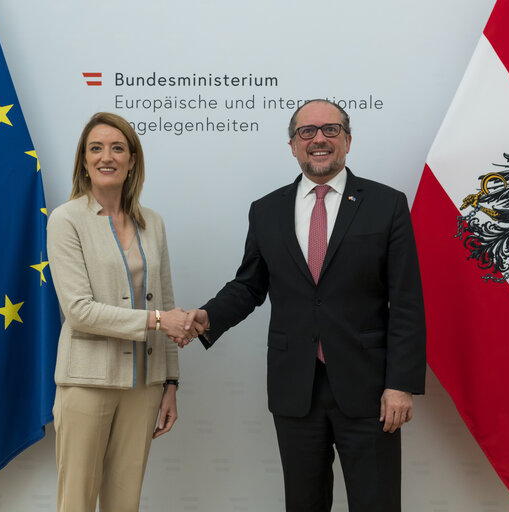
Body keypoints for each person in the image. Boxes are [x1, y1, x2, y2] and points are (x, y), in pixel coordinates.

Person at [181, 99, 426, 512]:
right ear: (292, 145)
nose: (319, 139)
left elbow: (406, 301)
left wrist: (400, 383)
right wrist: (207, 317)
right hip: (295, 387)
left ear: (348, 140)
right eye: (306, 132)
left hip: (369, 389)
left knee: (376, 503)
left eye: (330, 129)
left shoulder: (387, 204)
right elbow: (248, 286)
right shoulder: (266, 210)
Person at [47, 112, 200, 512]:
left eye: (117, 148)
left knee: (124, 503)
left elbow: (165, 302)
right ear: (83, 160)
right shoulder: (65, 220)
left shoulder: (153, 223)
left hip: (144, 387)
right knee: (76, 503)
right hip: (86, 382)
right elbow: (79, 311)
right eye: (95, 148)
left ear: (133, 160)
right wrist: (155, 321)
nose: (106, 156)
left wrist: (171, 383)